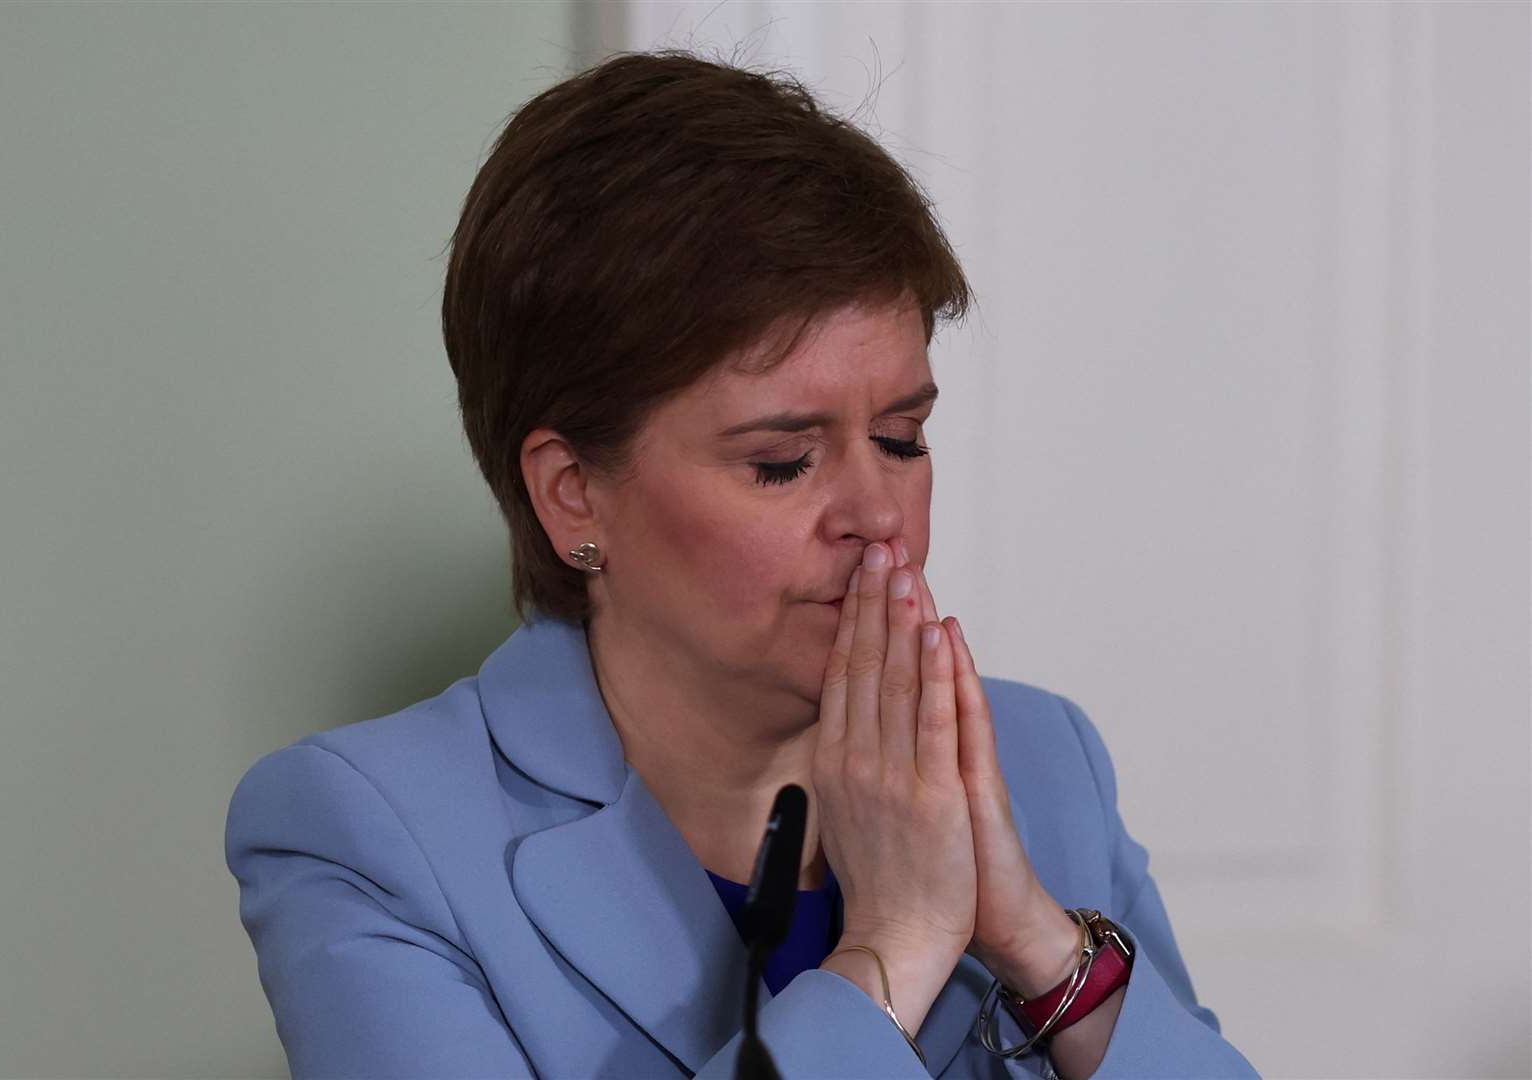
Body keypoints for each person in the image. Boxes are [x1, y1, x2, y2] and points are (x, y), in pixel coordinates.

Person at [224, 50, 1259, 1080]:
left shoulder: (1043, 761)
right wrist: (892, 951)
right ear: (573, 493)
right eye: (783, 463)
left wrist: (1041, 946)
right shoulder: (369, 834)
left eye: (902, 441)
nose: (878, 517)